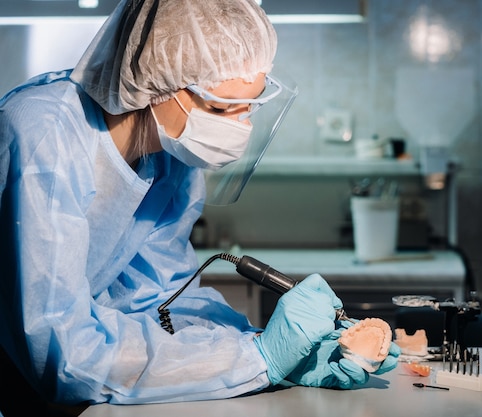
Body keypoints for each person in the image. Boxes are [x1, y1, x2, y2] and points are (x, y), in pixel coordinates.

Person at [0, 0, 399, 412]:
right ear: (157, 83)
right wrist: (257, 360)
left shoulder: (169, 157)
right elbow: (62, 352)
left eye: (250, 106)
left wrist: (274, 352)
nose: (239, 127)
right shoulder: (44, 137)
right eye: (221, 108)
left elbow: (161, 303)